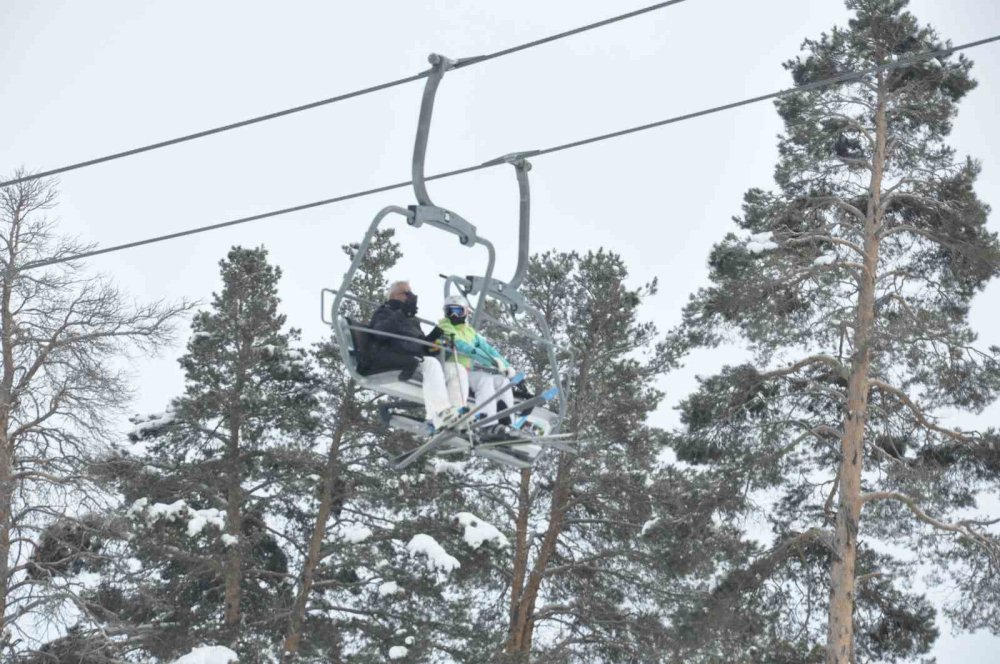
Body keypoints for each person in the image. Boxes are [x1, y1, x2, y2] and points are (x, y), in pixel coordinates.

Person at [367, 281, 468, 431]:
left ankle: (457, 414)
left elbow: (420, 344)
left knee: (456, 368)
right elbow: (378, 334)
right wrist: (402, 314)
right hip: (396, 357)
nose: (411, 297)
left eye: (411, 293)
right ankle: (441, 413)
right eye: (406, 293)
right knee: (431, 364)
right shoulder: (385, 312)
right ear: (394, 295)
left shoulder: (412, 319)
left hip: (417, 357)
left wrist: (434, 339)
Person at [429, 295, 518, 431]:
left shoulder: (469, 332)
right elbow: (463, 347)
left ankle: (507, 422)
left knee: (502, 381)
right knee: (484, 379)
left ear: (466, 312)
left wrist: (506, 366)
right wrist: (492, 362)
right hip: (449, 369)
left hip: (466, 372)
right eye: (450, 311)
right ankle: (487, 424)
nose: (453, 315)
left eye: (458, 311)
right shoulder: (444, 326)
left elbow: (488, 349)